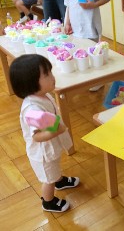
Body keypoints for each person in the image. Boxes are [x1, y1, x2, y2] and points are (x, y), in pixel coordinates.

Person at [9, 54, 80, 213]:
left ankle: (59, 181)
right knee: (48, 179)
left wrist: (56, 128)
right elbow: (37, 136)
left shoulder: (43, 95)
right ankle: (48, 201)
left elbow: (51, 121)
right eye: (47, 74)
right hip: (43, 153)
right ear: (31, 83)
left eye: (50, 72)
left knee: (55, 166)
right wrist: (57, 131)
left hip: (51, 148)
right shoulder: (32, 109)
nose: (52, 77)